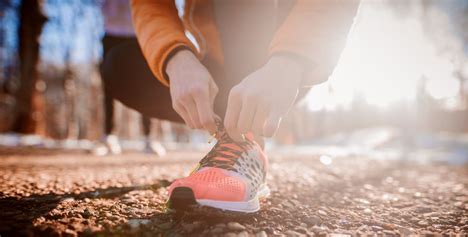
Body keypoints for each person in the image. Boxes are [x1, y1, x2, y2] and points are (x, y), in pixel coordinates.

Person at [102, 0, 359, 212]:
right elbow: (149, 4)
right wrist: (175, 57)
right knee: (119, 65)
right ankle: (231, 137)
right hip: (216, 63)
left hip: (282, 67)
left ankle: (248, 143)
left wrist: (290, 59)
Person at [95, 0, 166, 156]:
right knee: (108, 87)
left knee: (147, 86)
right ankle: (109, 137)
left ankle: (149, 138)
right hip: (111, 34)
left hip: (139, 34)